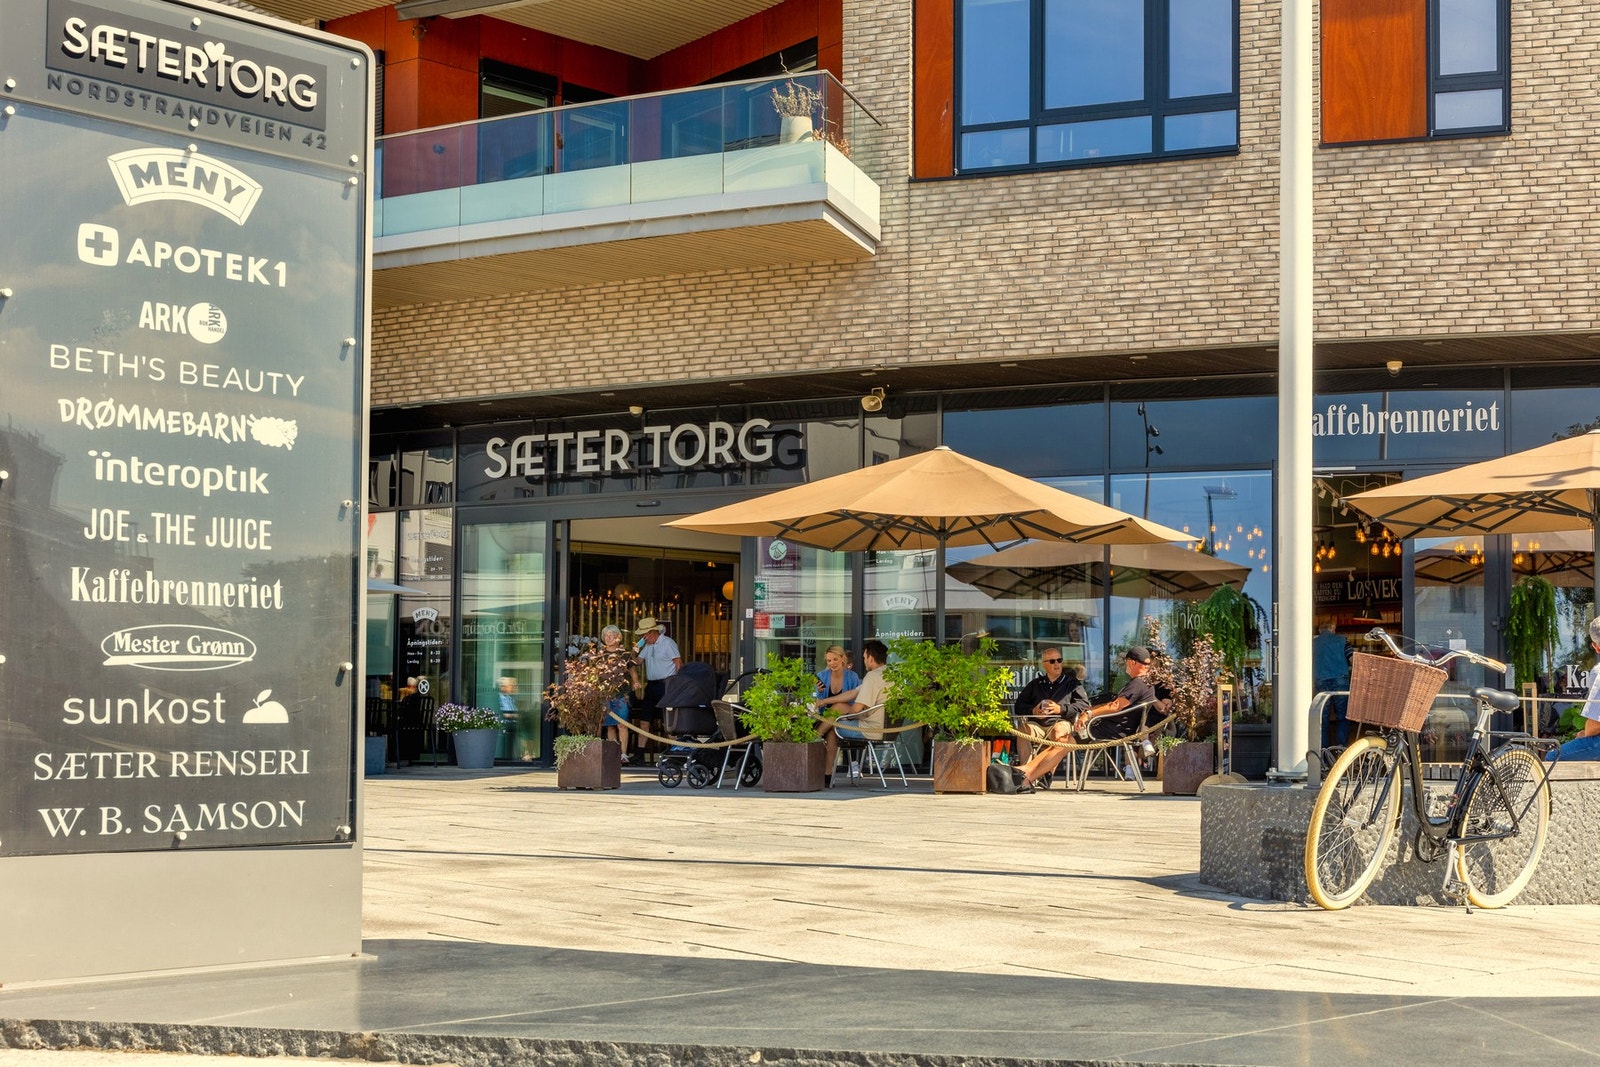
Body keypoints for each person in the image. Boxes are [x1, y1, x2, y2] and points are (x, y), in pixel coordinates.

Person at [1016, 646, 1168, 788]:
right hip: (1111, 727)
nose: (1125, 666)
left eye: (1126, 662)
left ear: (1132, 662)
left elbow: (1115, 706)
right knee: (1062, 743)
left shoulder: (1138, 683)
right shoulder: (1146, 684)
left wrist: (1088, 714)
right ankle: (1028, 771)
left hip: (1108, 729)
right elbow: (1114, 705)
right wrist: (1089, 711)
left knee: (1062, 743)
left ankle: (1028, 774)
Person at [822, 639, 891, 785]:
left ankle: (825, 771)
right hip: (888, 729)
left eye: (865, 658)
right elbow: (853, 693)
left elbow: (856, 708)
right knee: (838, 708)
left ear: (870, 658)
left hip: (870, 729)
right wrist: (824, 702)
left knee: (833, 727)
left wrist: (844, 717)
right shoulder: (890, 674)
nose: (864, 661)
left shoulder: (872, 677)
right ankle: (826, 775)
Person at [1012, 648, 1091, 763]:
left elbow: (1084, 705)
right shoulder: (1035, 684)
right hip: (1037, 725)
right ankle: (1026, 773)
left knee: (1058, 730)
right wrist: (1033, 711)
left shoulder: (1072, 683)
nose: (1057, 664)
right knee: (1023, 730)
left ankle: (1047, 775)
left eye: (1059, 660)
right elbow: (1018, 706)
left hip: (1061, 722)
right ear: (1044, 665)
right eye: (1052, 661)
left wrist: (1061, 709)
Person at [1550, 617, 1600, 761]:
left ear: (1595, 647)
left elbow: (1596, 724)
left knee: (1551, 756)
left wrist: (1585, 734)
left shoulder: (1598, 673)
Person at [598, 624, 640, 763]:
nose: (608, 638)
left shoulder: (625, 654)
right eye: (606, 635)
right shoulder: (601, 654)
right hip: (606, 694)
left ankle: (623, 754)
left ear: (618, 637)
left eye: (611, 635)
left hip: (622, 693)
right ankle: (613, 754)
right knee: (609, 725)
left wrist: (635, 682)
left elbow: (632, 671)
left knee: (622, 724)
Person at [635, 616, 682, 728]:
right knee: (644, 719)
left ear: (651, 633)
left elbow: (678, 662)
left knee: (667, 720)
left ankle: (673, 745)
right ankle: (641, 746)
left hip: (666, 685)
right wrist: (631, 653)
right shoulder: (647, 646)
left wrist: (677, 684)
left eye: (643, 635)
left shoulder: (667, 643)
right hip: (651, 685)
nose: (643, 637)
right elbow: (638, 661)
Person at [1313, 617, 1352, 748]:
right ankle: (1341, 750)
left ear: (1320, 630)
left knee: (1322, 719)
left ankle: (1323, 754)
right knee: (1342, 716)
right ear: (1333, 628)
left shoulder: (1312, 643)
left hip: (1320, 680)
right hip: (1340, 679)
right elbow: (1352, 658)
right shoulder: (1343, 640)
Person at [813, 644, 862, 710]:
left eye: (835, 659)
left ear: (842, 658)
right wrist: (820, 692)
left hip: (845, 717)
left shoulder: (852, 677)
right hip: (824, 716)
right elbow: (817, 704)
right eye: (829, 661)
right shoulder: (822, 676)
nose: (832, 663)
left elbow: (855, 702)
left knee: (839, 706)